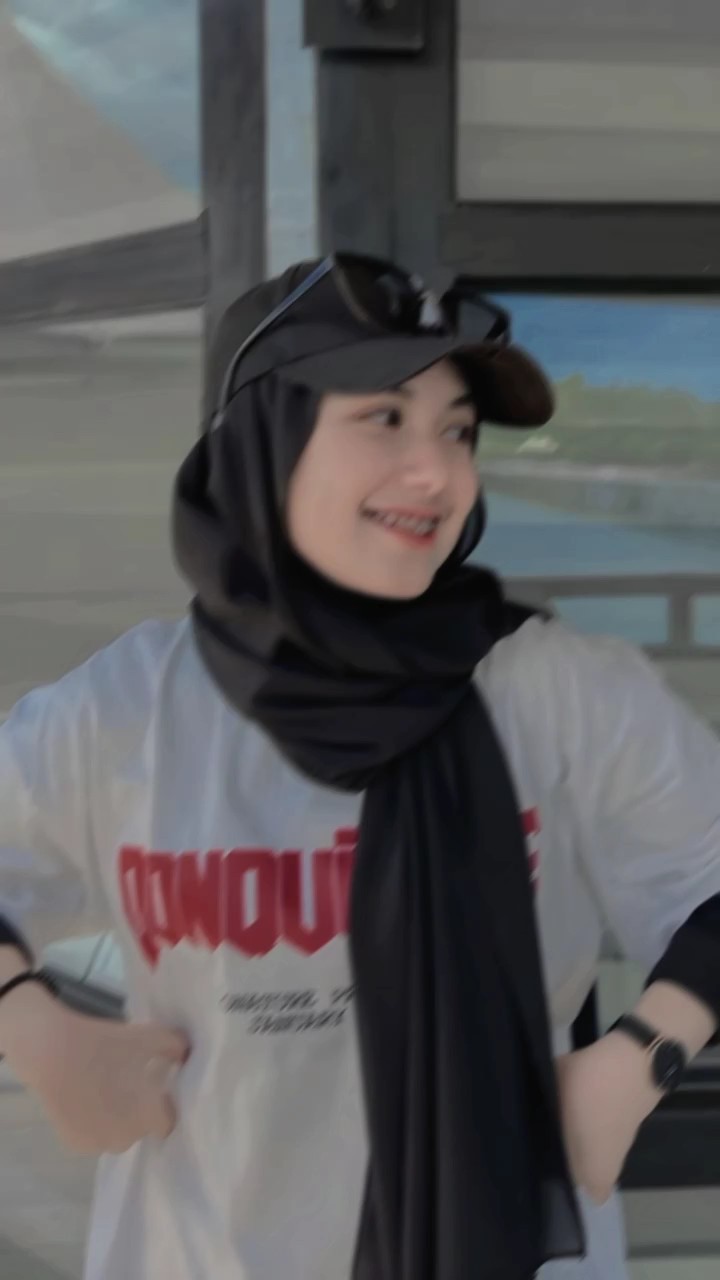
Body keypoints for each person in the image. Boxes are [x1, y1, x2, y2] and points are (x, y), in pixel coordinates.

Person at [1, 252, 720, 1280]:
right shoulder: (124, 709)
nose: (437, 473)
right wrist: (31, 1026)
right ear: (264, 439)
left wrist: (644, 1052)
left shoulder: (555, 687)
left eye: (457, 430)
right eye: (385, 417)